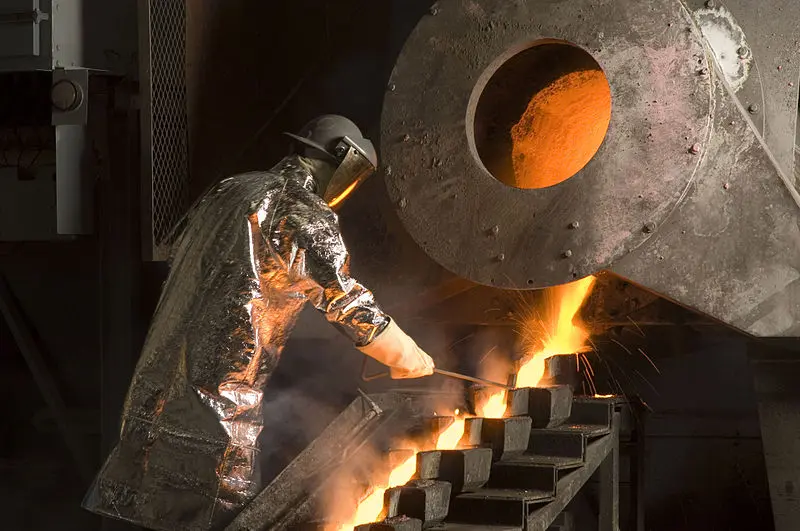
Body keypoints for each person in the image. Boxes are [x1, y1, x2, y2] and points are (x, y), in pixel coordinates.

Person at [83, 115, 435, 530]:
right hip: (219, 400)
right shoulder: (299, 209)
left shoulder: (232, 188)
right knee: (220, 508)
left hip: (159, 384)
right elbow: (343, 298)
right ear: (342, 158)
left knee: (156, 509)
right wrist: (406, 355)